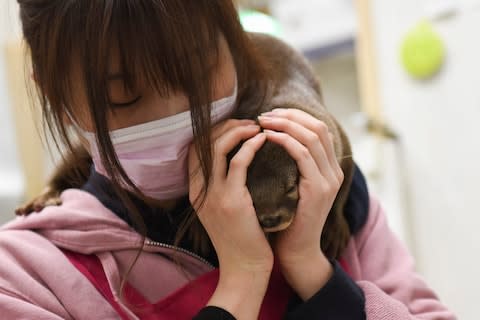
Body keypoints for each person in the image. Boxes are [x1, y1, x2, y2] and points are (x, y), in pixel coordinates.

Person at [0, 1, 456, 319]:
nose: (179, 111)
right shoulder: (25, 276)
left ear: (235, 39)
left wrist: (312, 270)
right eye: (126, 96)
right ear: (53, 92)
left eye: (198, 70)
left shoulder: (324, 188)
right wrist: (241, 283)